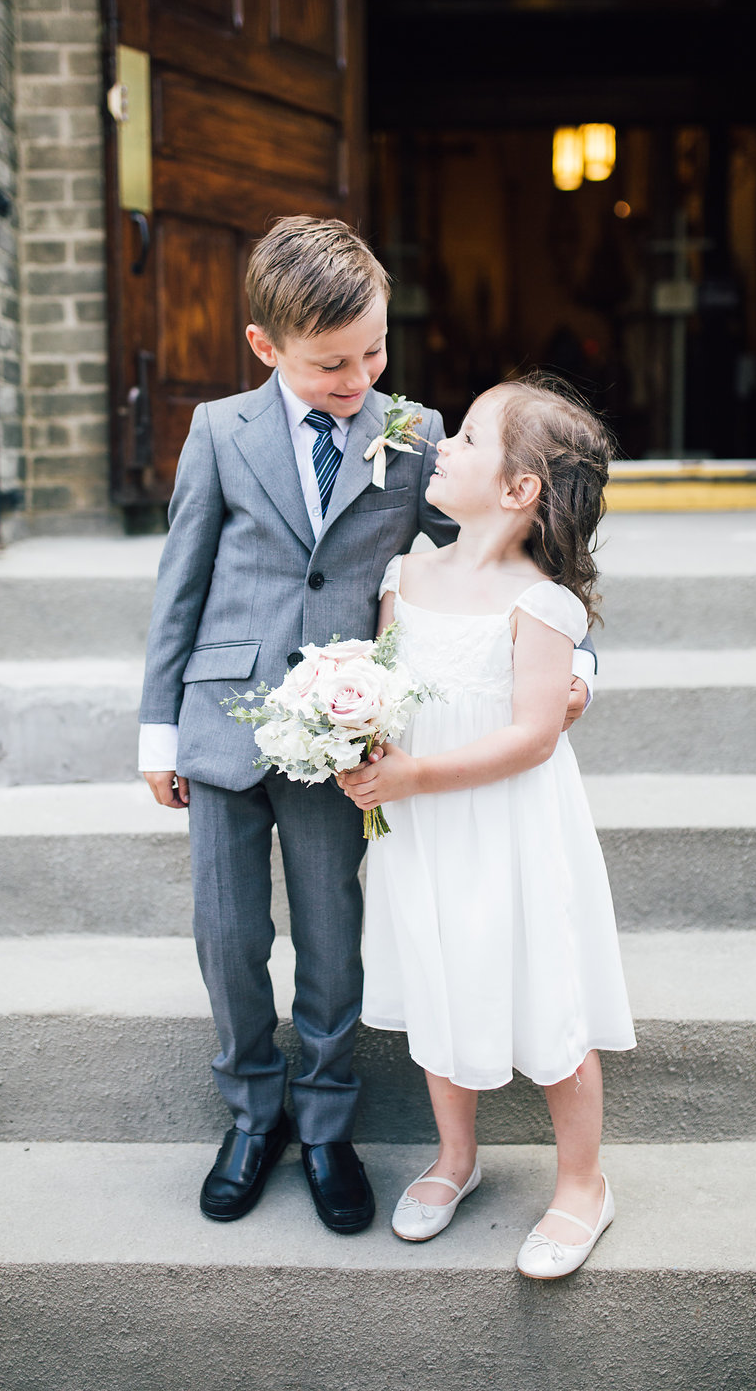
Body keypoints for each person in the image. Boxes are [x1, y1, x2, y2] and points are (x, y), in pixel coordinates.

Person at [138, 217, 597, 1235]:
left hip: (342, 741)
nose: (359, 377)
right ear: (265, 348)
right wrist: (156, 731)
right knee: (227, 934)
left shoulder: (415, 432)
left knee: (333, 939)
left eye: (374, 352)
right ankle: (252, 1114)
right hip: (220, 723)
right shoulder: (218, 430)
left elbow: (503, 555)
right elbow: (181, 585)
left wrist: (573, 665)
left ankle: (328, 1123)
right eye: (331, 363)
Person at [340, 376, 635, 1276]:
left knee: (546, 989)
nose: (442, 447)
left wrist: (417, 771)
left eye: (467, 439)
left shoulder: (541, 603)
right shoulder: (408, 574)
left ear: (519, 491)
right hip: (424, 830)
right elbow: (387, 683)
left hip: (509, 830)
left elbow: (534, 735)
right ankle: (455, 1158)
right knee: (438, 975)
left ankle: (583, 1183)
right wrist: (355, 731)